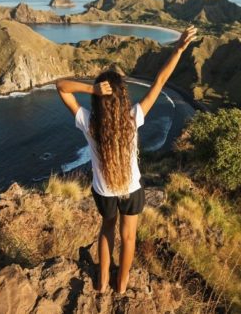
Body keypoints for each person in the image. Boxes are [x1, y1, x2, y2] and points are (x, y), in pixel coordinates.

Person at [56, 25, 197, 293]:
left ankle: (101, 283)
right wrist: (178, 49)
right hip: (132, 189)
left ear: (100, 100)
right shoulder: (133, 118)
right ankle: (121, 287)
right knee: (128, 237)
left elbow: (61, 87)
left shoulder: (89, 123)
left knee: (106, 231)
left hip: (104, 192)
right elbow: (159, 81)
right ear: (122, 97)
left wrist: (92, 90)